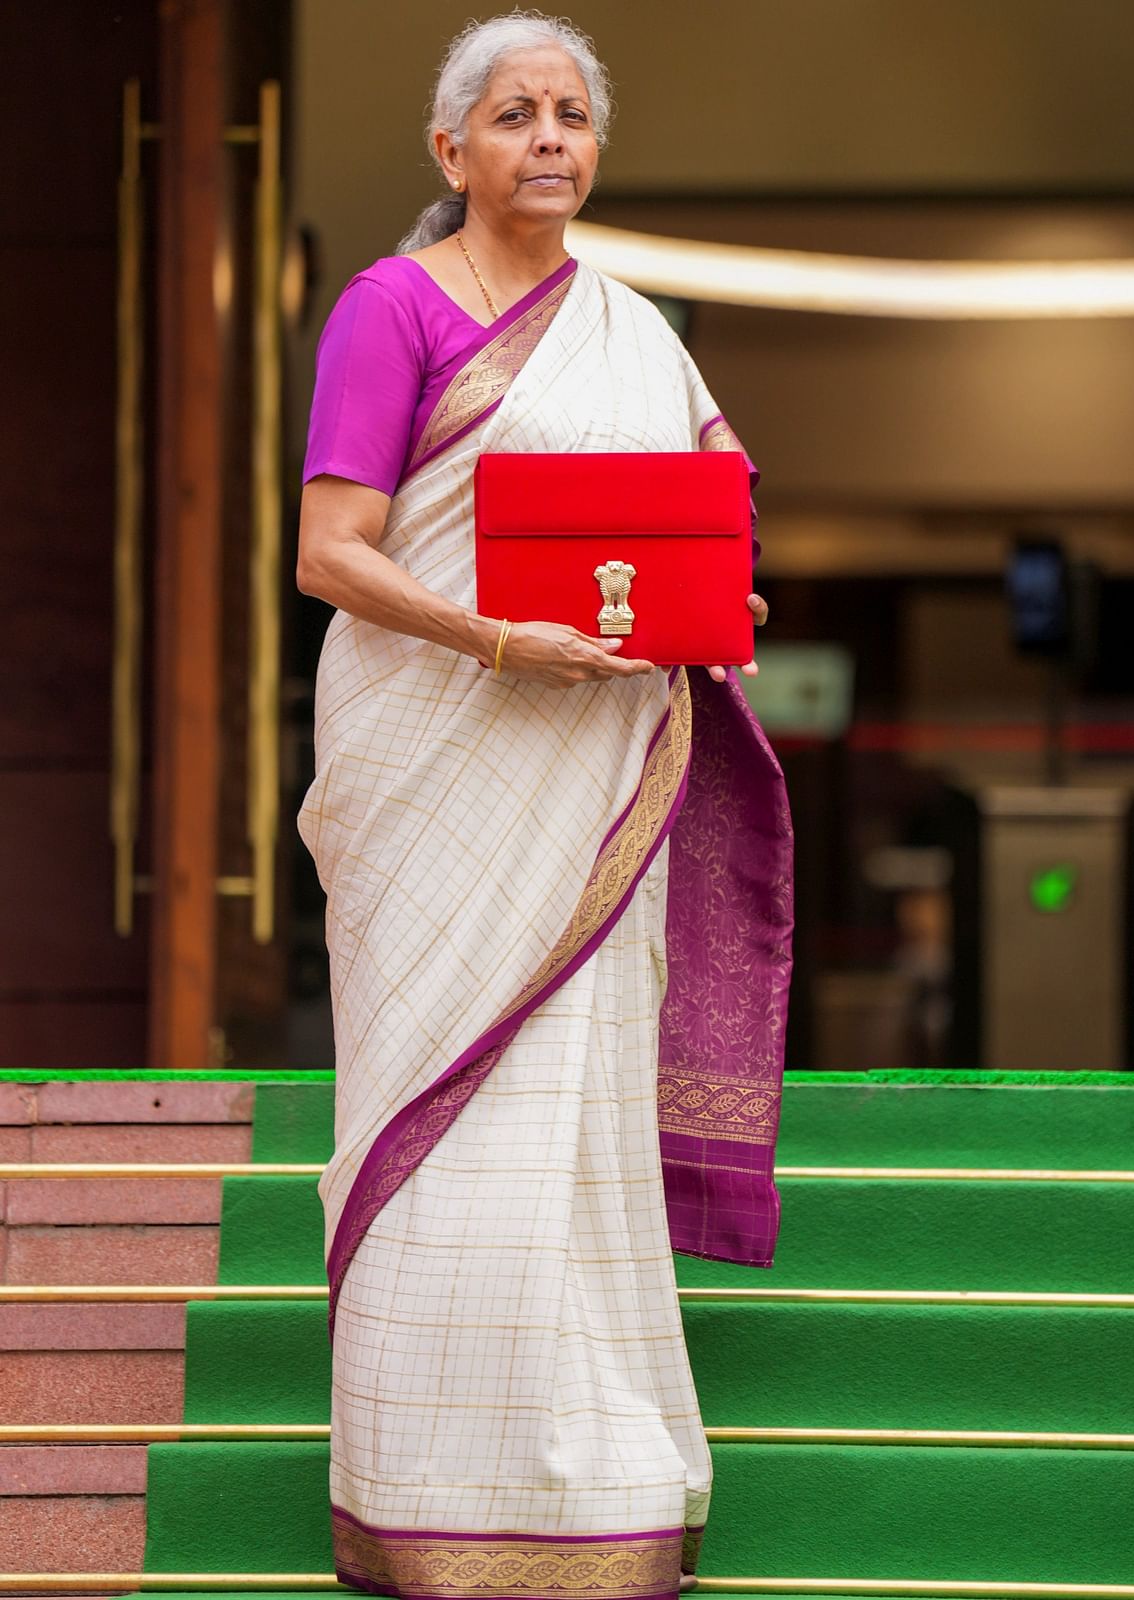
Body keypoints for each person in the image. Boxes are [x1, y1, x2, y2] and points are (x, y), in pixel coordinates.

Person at [295, 13, 794, 1599]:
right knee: (435, 1095)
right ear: (453, 153)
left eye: (573, 114)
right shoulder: (392, 311)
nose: (550, 140)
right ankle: (423, 1489)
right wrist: (501, 637)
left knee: (570, 1096)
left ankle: (595, 1482)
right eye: (513, 116)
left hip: (593, 756)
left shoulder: (637, 332)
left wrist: (722, 608)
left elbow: (710, 510)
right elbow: (334, 553)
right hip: (436, 739)